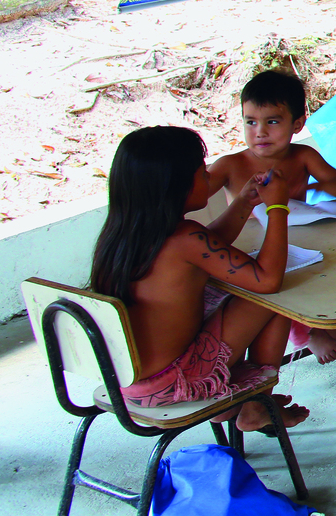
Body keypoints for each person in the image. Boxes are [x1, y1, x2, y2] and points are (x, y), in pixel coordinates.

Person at [90, 127, 307, 432]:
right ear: (174, 185)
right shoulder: (185, 238)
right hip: (174, 381)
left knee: (234, 294)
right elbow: (268, 280)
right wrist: (278, 207)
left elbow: (209, 246)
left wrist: (244, 202)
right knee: (273, 298)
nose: (208, 176)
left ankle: (232, 403)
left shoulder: (120, 236)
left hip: (126, 381)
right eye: (200, 171)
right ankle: (256, 405)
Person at [206, 69, 336, 365]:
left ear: (297, 124)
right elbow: (192, 194)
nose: (260, 132)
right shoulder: (230, 165)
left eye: (272, 121)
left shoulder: (302, 157)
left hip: (294, 243)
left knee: (325, 272)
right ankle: (310, 333)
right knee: (282, 283)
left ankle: (322, 329)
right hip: (247, 253)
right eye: (251, 122)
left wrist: (313, 183)